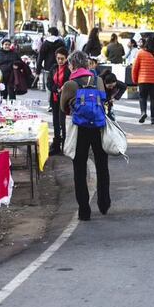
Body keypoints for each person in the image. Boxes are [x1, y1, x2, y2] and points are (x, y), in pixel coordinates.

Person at [60, 51, 110, 220]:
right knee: (102, 164)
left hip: (80, 128)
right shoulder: (99, 81)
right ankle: (104, 202)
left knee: (79, 167)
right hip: (98, 126)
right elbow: (104, 100)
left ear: (72, 65)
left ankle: (84, 209)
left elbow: (63, 108)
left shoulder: (70, 84)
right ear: (88, 65)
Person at [47, 48, 69, 155]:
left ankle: (65, 145)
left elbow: (71, 82)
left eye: (62, 59)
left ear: (66, 58)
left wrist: (64, 88)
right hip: (55, 98)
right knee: (55, 122)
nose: (60, 61)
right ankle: (56, 146)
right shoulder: (53, 68)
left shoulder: (69, 69)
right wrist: (55, 88)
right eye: (58, 58)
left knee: (63, 123)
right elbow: (49, 83)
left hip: (65, 100)